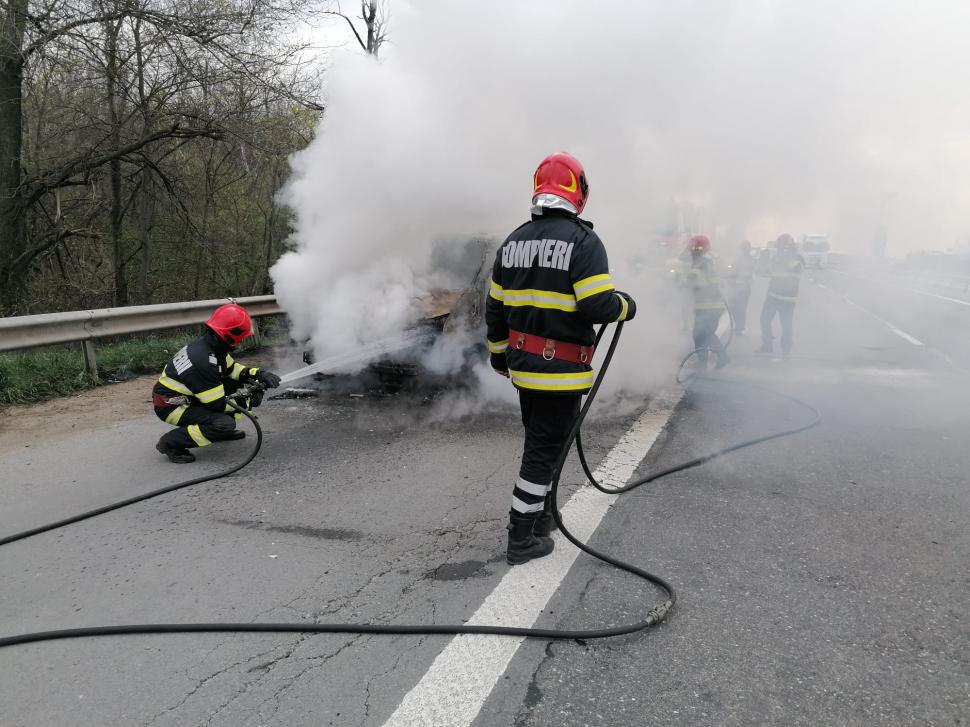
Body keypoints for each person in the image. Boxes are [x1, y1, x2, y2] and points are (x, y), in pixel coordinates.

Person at [485, 151, 636, 565]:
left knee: (544, 444)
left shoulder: (512, 241)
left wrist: (499, 358)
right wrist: (626, 306)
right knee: (542, 450)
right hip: (561, 373)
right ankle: (522, 535)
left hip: (523, 369)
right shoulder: (583, 242)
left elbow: (495, 309)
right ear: (579, 192)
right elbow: (598, 306)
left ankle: (543, 517)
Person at [153, 302, 281, 463]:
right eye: (240, 338)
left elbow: (232, 370)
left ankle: (217, 433)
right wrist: (248, 400)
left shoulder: (213, 347)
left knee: (233, 384)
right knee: (223, 424)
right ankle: (171, 443)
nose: (241, 342)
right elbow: (217, 404)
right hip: (171, 407)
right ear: (229, 335)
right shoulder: (203, 361)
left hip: (191, 396)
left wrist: (259, 374)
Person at [681, 235, 729, 368]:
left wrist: (687, 283)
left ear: (697, 249)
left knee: (702, 334)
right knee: (703, 334)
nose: (690, 251)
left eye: (692, 248)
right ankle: (708, 361)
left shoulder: (701, 263)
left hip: (708, 306)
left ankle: (714, 360)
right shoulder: (705, 262)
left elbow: (695, 282)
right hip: (708, 305)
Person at [757, 233, 804, 358]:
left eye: (779, 246)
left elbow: (773, 272)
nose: (778, 248)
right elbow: (768, 272)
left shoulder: (784, 259)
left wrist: (767, 267)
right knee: (785, 324)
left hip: (776, 296)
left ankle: (770, 346)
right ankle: (785, 350)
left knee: (766, 320)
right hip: (785, 298)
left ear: (783, 246)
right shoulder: (796, 258)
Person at [725, 240, 756, 334]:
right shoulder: (736, 259)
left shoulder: (751, 260)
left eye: (744, 248)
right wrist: (730, 270)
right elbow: (730, 268)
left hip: (743, 288)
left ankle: (739, 327)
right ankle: (739, 325)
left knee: (741, 308)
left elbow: (751, 273)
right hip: (735, 287)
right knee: (733, 307)